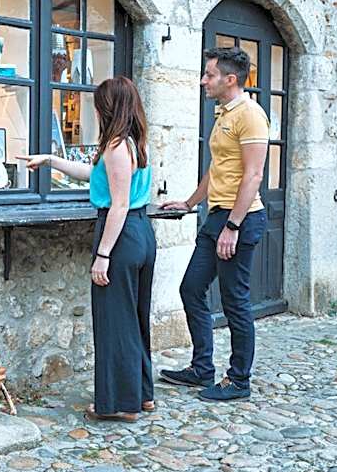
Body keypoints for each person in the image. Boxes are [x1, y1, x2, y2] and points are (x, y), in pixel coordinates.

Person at [18, 76, 156, 421]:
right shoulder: (133, 142)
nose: (95, 110)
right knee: (134, 319)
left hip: (122, 235)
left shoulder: (116, 146)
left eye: (98, 104)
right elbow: (92, 174)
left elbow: (118, 205)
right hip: (139, 232)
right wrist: (50, 159)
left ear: (108, 107)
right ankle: (141, 394)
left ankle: (120, 404)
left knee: (115, 322)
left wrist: (103, 254)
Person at [159, 47, 269, 401]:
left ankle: (239, 380)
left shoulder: (250, 115)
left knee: (235, 300)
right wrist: (190, 203)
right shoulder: (224, 114)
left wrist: (233, 226)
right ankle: (201, 368)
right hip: (217, 215)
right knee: (191, 288)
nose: (203, 81)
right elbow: (218, 168)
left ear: (230, 79)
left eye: (209, 75)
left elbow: (253, 175)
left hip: (241, 217)